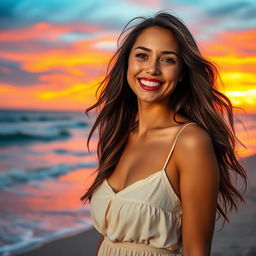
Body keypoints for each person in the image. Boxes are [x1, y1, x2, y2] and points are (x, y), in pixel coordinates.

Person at [81, 11, 247, 256]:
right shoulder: (119, 137)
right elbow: (109, 237)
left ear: (181, 73)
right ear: (128, 62)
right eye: (142, 55)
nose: (152, 69)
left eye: (167, 60)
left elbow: (197, 251)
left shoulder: (190, 142)